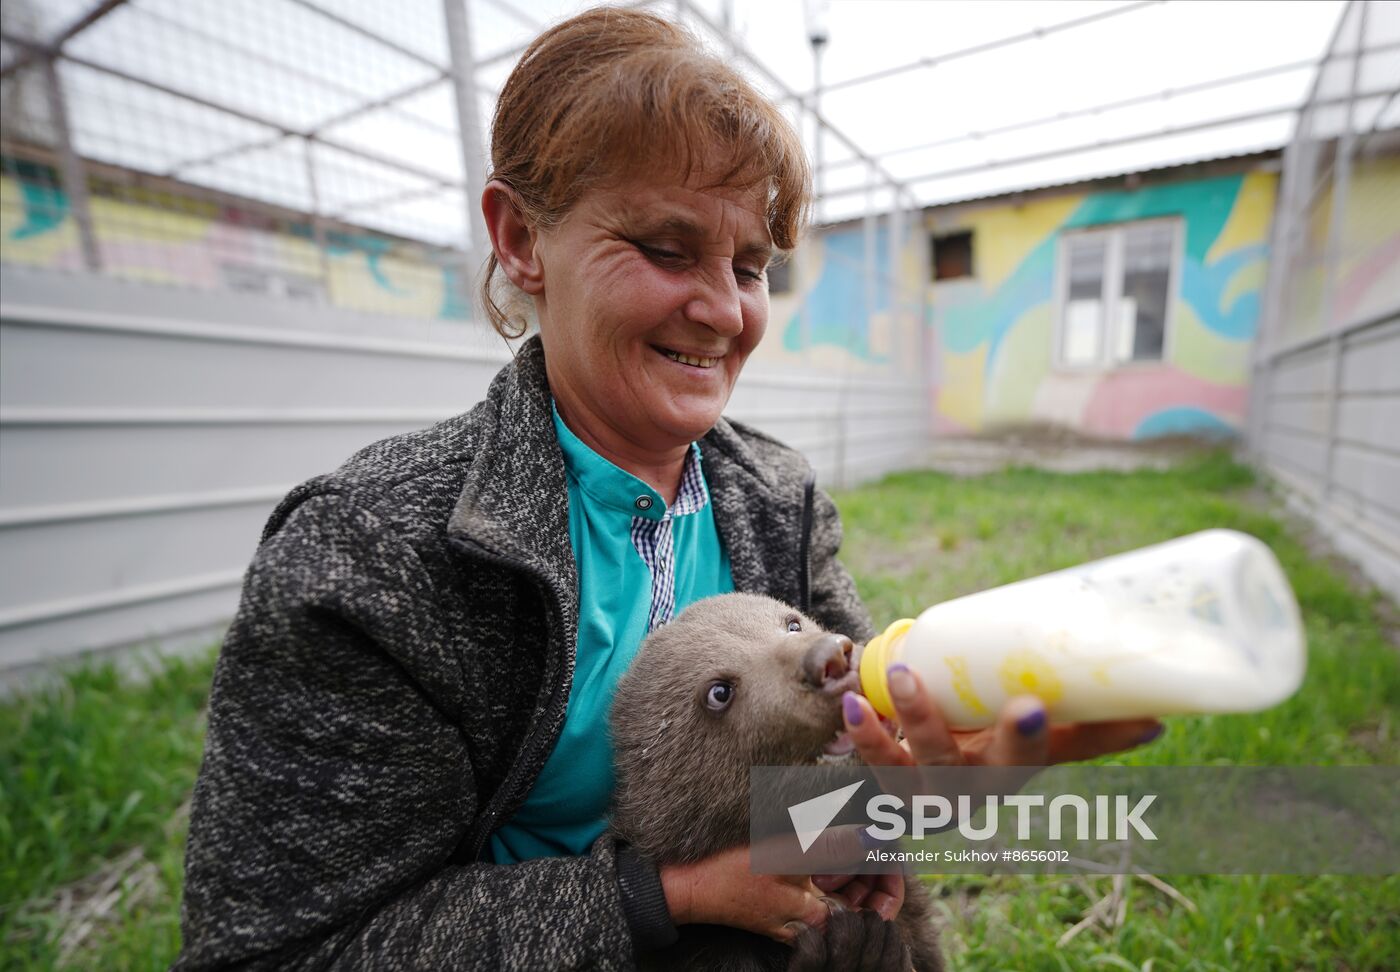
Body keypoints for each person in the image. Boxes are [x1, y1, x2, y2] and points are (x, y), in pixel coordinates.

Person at [172, 8, 1161, 969]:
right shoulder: (371, 558)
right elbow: (286, 947)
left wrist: (908, 799)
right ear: (519, 239)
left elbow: (828, 784)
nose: (722, 310)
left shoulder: (773, 498)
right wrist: (663, 901)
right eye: (663, 247)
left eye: (749, 263)